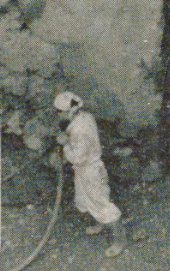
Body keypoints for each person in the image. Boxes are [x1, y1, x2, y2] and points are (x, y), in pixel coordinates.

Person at [54, 91, 129, 257]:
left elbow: (77, 158)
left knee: (101, 204)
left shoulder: (80, 131)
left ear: (68, 112)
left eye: (59, 111)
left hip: (90, 171)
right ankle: (100, 224)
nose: (58, 114)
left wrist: (65, 144)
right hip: (85, 170)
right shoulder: (85, 117)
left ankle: (120, 241)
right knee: (84, 199)